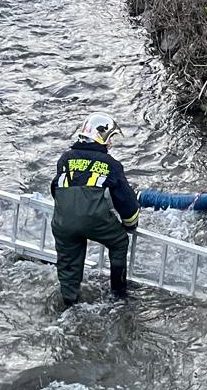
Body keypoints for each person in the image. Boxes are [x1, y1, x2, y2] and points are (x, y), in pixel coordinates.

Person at [50, 113, 140, 307]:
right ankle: (118, 295)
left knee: (68, 262)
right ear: (102, 138)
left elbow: (55, 188)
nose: (111, 144)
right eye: (110, 138)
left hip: (63, 221)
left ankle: (69, 302)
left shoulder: (65, 159)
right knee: (119, 242)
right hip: (94, 220)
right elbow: (127, 203)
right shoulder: (111, 164)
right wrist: (130, 225)